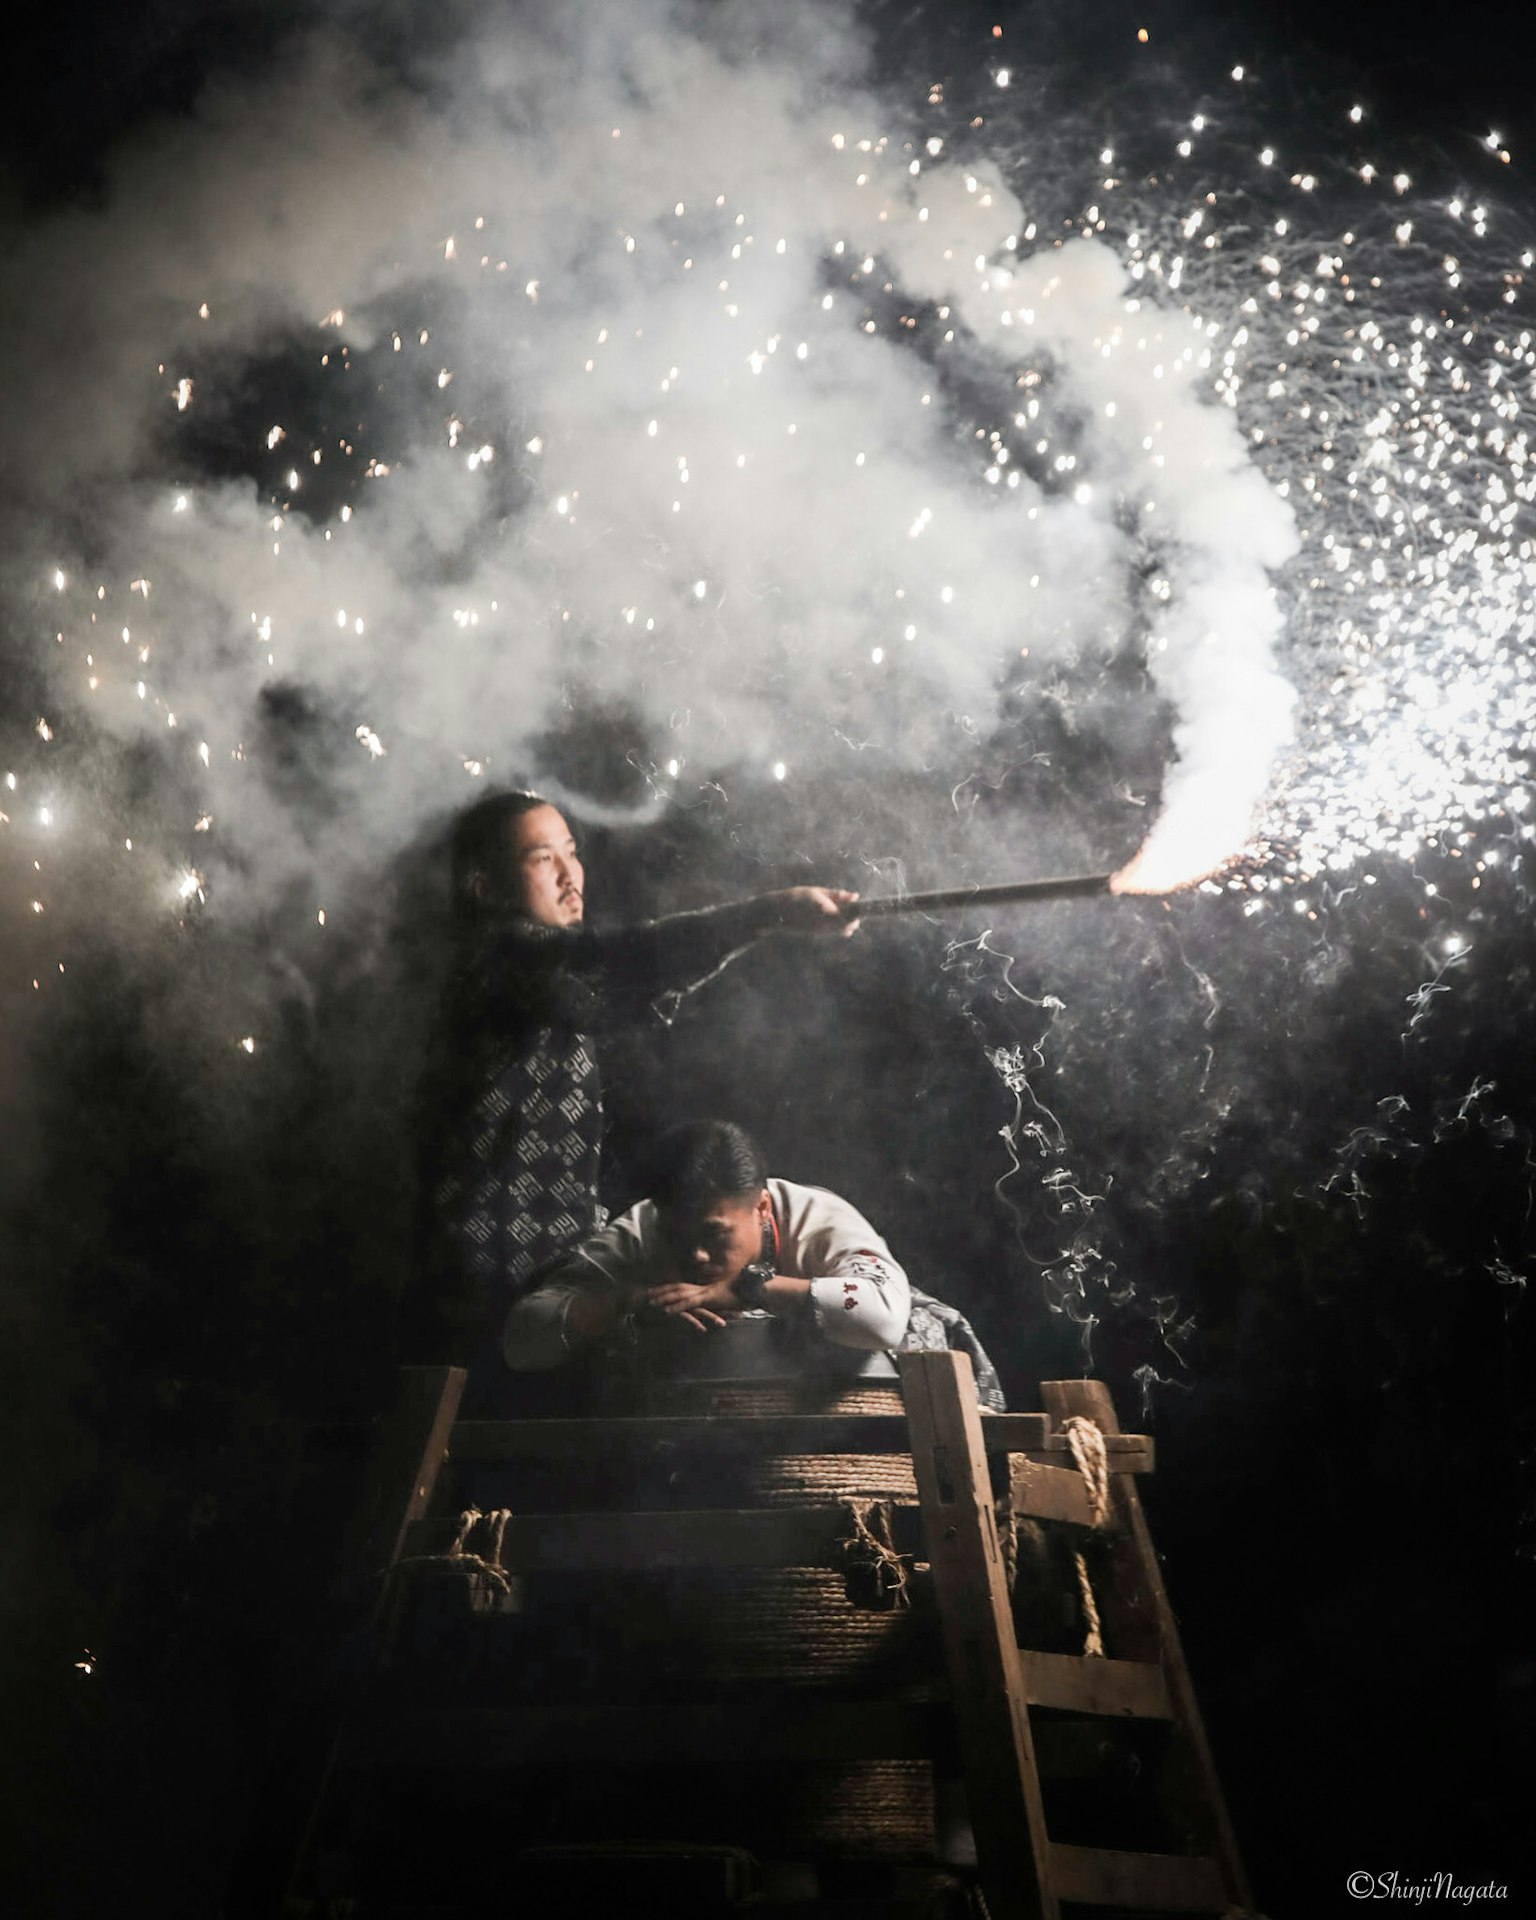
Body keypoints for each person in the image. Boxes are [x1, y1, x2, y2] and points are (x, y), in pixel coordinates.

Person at [419, 791, 859, 1405]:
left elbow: (629, 985)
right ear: (484, 886)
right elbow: (629, 959)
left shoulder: (546, 978)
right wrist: (772, 913)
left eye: (571, 853)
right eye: (543, 859)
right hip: (482, 1283)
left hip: (550, 1278)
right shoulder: (497, 957)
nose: (571, 875)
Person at [502, 1119, 1006, 1410]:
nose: (696, 1256)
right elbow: (522, 1340)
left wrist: (749, 1289)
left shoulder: (818, 1217)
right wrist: (624, 1303)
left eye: (714, 1236)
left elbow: (882, 1317)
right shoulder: (639, 1230)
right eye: (679, 1235)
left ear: (761, 1208)